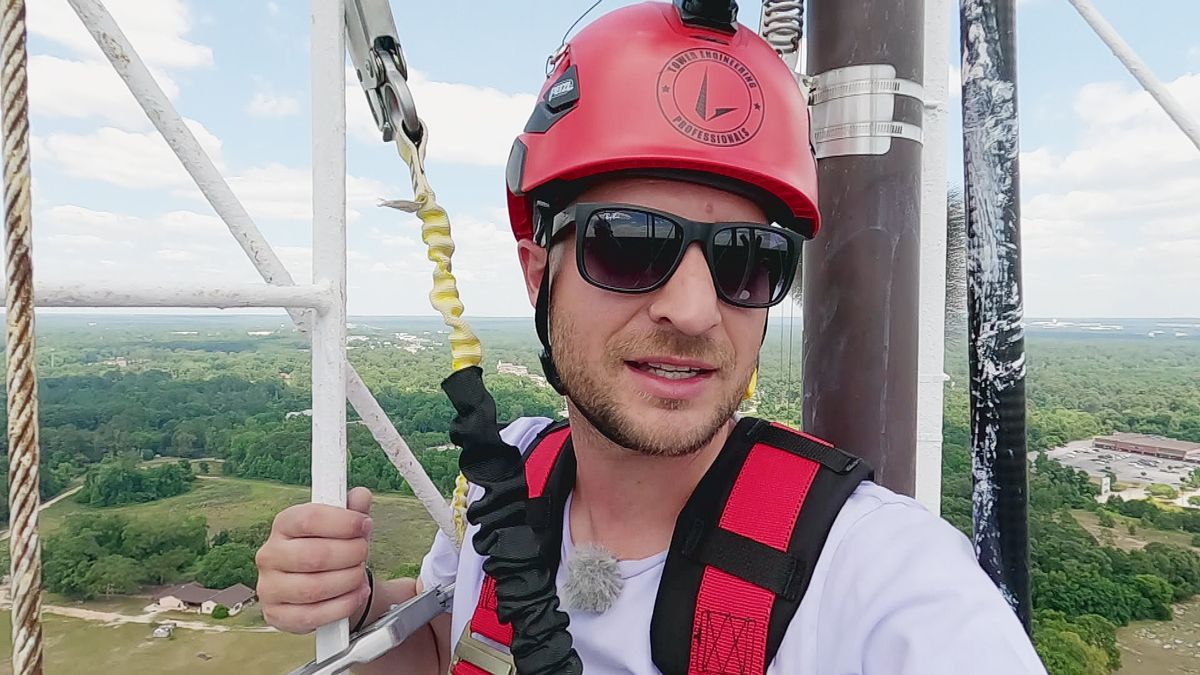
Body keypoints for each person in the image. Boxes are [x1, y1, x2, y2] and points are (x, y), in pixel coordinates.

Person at [255, 2, 1048, 673]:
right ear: (539, 274)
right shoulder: (510, 487)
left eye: (748, 259)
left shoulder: (878, 571)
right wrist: (356, 604)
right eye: (629, 244)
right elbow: (447, 643)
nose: (696, 309)